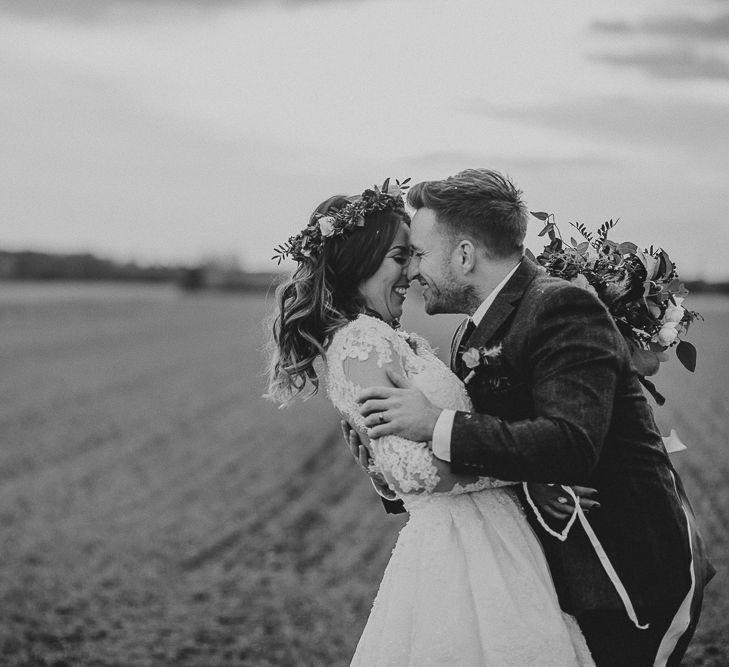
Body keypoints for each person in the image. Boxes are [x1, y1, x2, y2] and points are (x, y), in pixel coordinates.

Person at [352, 169, 714, 666]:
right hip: (544, 570)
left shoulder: (562, 306)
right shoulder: (469, 336)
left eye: (418, 253)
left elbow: (570, 444)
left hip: (622, 572)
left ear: (463, 255)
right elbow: (497, 458)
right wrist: (391, 471)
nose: (412, 271)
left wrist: (435, 424)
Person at [266, 181, 594, 665]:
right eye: (401, 256)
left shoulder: (388, 336)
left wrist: (386, 472)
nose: (412, 271)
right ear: (360, 259)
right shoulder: (361, 342)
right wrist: (532, 469)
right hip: (462, 552)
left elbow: (402, 468)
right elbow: (415, 473)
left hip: (489, 535)